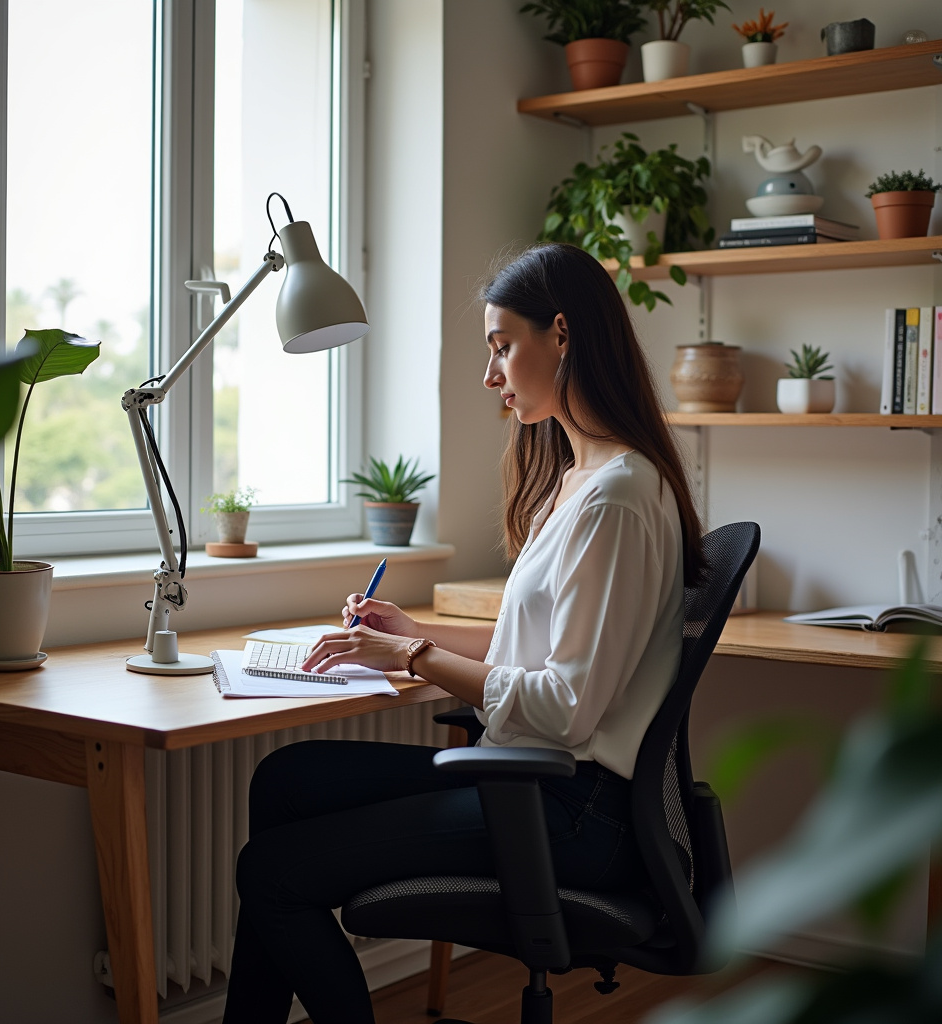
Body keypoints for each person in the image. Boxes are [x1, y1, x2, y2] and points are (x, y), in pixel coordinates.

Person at [222, 242, 705, 1024]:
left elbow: (564, 707)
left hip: (575, 811)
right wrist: (414, 631)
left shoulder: (616, 497)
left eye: (501, 346)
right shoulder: (579, 481)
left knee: (271, 873)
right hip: (541, 782)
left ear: (562, 333)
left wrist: (412, 656)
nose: (491, 377)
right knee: (286, 780)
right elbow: (547, 651)